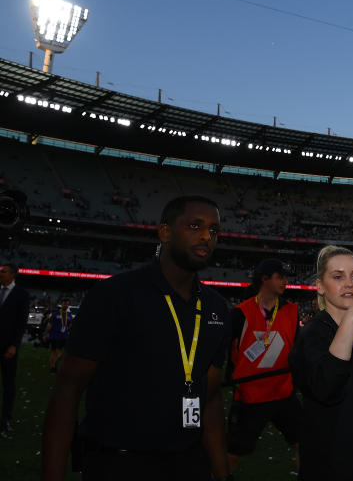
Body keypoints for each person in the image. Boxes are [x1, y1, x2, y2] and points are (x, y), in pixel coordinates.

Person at [41, 196, 232, 481]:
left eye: (214, 230)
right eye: (195, 226)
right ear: (165, 232)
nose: (206, 236)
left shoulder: (217, 308)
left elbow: (211, 397)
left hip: (188, 462)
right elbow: (68, 390)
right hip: (119, 462)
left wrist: (223, 474)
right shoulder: (115, 295)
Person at [290, 245, 353, 481]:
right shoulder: (313, 334)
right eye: (338, 276)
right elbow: (326, 387)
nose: (349, 284)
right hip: (331, 465)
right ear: (320, 286)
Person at [226, 258, 300, 472]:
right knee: (233, 453)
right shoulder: (240, 313)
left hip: (283, 393)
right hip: (251, 396)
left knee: (305, 442)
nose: (285, 281)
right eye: (280, 276)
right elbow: (226, 351)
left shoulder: (292, 311)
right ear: (264, 279)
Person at [0, 263, 31, 437]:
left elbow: (21, 322)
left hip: (8, 347)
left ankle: (5, 420)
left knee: (8, 384)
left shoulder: (21, 294)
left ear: (13, 275)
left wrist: (14, 345)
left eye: (3, 271)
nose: (0, 274)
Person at [46, 298, 73, 374]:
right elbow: (49, 324)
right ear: (62, 304)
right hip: (55, 336)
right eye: (65, 303)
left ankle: (53, 366)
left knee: (59, 353)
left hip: (64, 336)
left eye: (67, 304)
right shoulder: (55, 313)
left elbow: (70, 325)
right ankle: (53, 367)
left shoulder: (69, 315)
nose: (66, 305)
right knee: (56, 352)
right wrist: (46, 333)